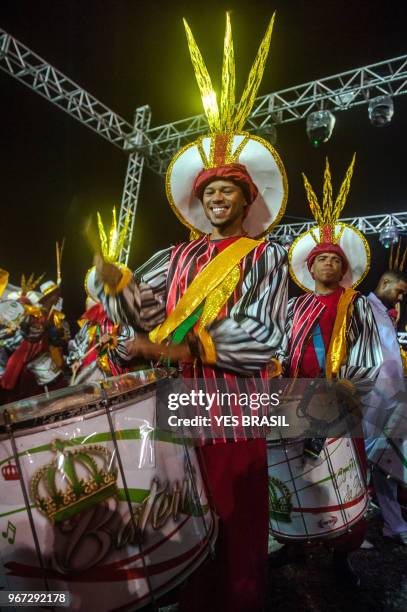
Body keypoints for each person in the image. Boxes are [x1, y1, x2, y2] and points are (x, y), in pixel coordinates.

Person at [95, 14, 288, 612]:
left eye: (227, 191)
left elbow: (264, 337)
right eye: (208, 193)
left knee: (234, 525)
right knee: (179, 515)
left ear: (246, 199)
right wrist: (117, 287)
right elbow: (146, 312)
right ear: (197, 204)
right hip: (175, 404)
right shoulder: (172, 256)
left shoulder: (265, 256)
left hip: (233, 409)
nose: (216, 199)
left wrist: (177, 348)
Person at [275, 156, 382, 586]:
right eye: (321, 260)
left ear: (345, 268)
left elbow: (372, 354)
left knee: (344, 475)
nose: (328, 266)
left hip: (339, 400)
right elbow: (280, 350)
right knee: (293, 472)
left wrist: (349, 390)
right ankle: (294, 543)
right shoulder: (293, 306)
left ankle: (343, 555)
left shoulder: (358, 304)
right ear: (310, 267)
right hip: (298, 400)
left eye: (335, 261)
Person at [364, 262, 407, 544]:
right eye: (400, 292)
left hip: (391, 401)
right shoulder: (362, 308)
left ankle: (395, 525)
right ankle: (350, 529)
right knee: (362, 463)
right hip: (369, 401)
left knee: (385, 463)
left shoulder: (384, 313)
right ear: (386, 283)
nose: (401, 298)